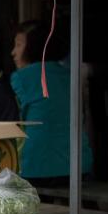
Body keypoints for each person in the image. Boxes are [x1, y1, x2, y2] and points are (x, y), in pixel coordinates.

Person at [10, 20, 93, 184]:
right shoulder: (71, 75)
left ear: (34, 47)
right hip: (79, 167)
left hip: (35, 168)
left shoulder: (21, 78)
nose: (13, 52)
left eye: (19, 45)